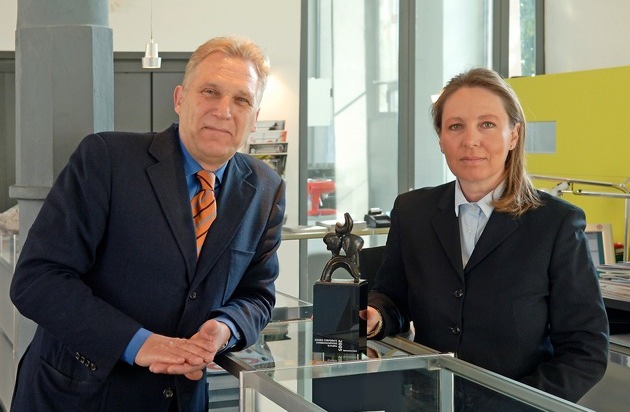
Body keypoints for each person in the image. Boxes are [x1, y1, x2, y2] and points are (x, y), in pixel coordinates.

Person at [10, 36, 286, 411]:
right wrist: (138, 342)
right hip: (79, 395)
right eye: (210, 91)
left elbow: (257, 294)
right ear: (180, 99)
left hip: (181, 400)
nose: (223, 110)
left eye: (241, 100)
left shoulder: (266, 189)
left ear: (254, 118)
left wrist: (225, 327)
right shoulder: (106, 159)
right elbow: (37, 279)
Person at [365, 67, 609, 409]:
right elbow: (392, 296)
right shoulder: (412, 212)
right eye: (455, 126)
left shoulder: (556, 224)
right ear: (441, 139)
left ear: (514, 135)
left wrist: (516, 405)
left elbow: (586, 350)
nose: (471, 141)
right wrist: (376, 315)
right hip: (428, 401)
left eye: (487, 124)